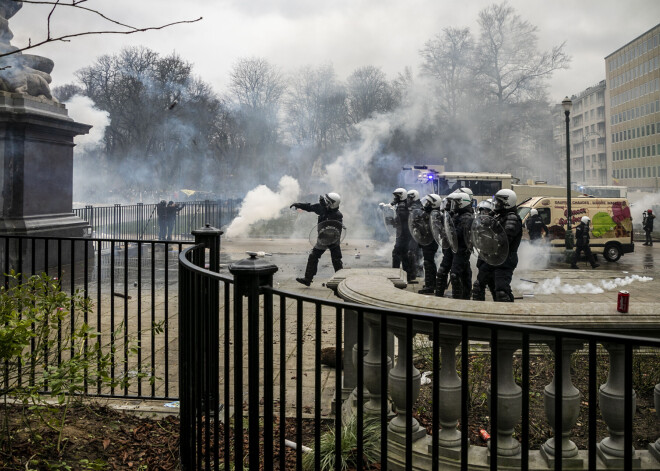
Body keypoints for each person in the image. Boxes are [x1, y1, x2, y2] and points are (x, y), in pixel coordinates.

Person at [473, 189, 523, 302]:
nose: (496, 204)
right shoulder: (498, 216)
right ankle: (478, 313)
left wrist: (487, 236)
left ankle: (506, 316)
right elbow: (483, 228)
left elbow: (503, 240)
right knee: (478, 286)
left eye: (499, 202)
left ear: (507, 202)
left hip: (504, 260)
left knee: (501, 292)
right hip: (492, 258)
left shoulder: (512, 219)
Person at [291, 193, 343, 286]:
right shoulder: (322, 208)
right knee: (313, 256)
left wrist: (324, 209)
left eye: (327, 201)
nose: (325, 202)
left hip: (333, 239)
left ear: (333, 203)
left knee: (336, 259)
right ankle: (307, 279)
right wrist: (299, 204)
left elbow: (336, 229)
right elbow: (310, 207)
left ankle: (341, 281)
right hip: (323, 238)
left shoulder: (337, 215)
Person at [446, 191, 474, 299]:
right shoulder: (459, 215)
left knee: (455, 274)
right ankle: (465, 295)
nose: (454, 206)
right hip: (458, 248)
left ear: (463, 203)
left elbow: (458, 234)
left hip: (462, 249)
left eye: (457, 203)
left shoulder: (466, 217)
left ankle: (457, 298)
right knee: (464, 272)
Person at [472, 199, 496, 301]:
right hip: (483, 256)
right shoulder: (480, 225)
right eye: (481, 212)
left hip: (491, 258)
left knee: (479, 284)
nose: (483, 214)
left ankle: (480, 307)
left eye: (485, 212)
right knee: (492, 285)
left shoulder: (495, 224)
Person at [417, 194, 441, 294]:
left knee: (428, 263)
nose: (426, 204)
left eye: (428, 203)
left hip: (430, 242)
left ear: (433, 204)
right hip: (427, 242)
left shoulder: (434, 215)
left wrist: (420, 225)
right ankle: (433, 283)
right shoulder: (429, 213)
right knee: (430, 263)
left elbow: (430, 229)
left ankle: (429, 286)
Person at [390, 188, 415, 282]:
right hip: (404, 232)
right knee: (404, 254)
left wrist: (394, 221)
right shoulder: (405, 204)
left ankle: (395, 275)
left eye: (397, 196)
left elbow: (402, 218)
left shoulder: (402, 205)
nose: (395, 198)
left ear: (401, 195)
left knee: (396, 253)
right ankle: (407, 276)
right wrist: (393, 222)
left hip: (403, 233)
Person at [435, 198, 453, 297]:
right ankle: (439, 296)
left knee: (456, 275)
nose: (448, 205)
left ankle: (462, 296)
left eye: (450, 203)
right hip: (448, 249)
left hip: (460, 251)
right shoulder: (448, 215)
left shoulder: (464, 217)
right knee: (442, 271)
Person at [406, 189, 423, 282]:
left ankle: (413, 273)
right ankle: (418, 272)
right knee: (417, 253)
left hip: (415, 233)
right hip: (415, 233)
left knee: (412, 252)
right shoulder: (417, 206)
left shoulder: (415, 207)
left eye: (409, 197)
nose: (408, 199)